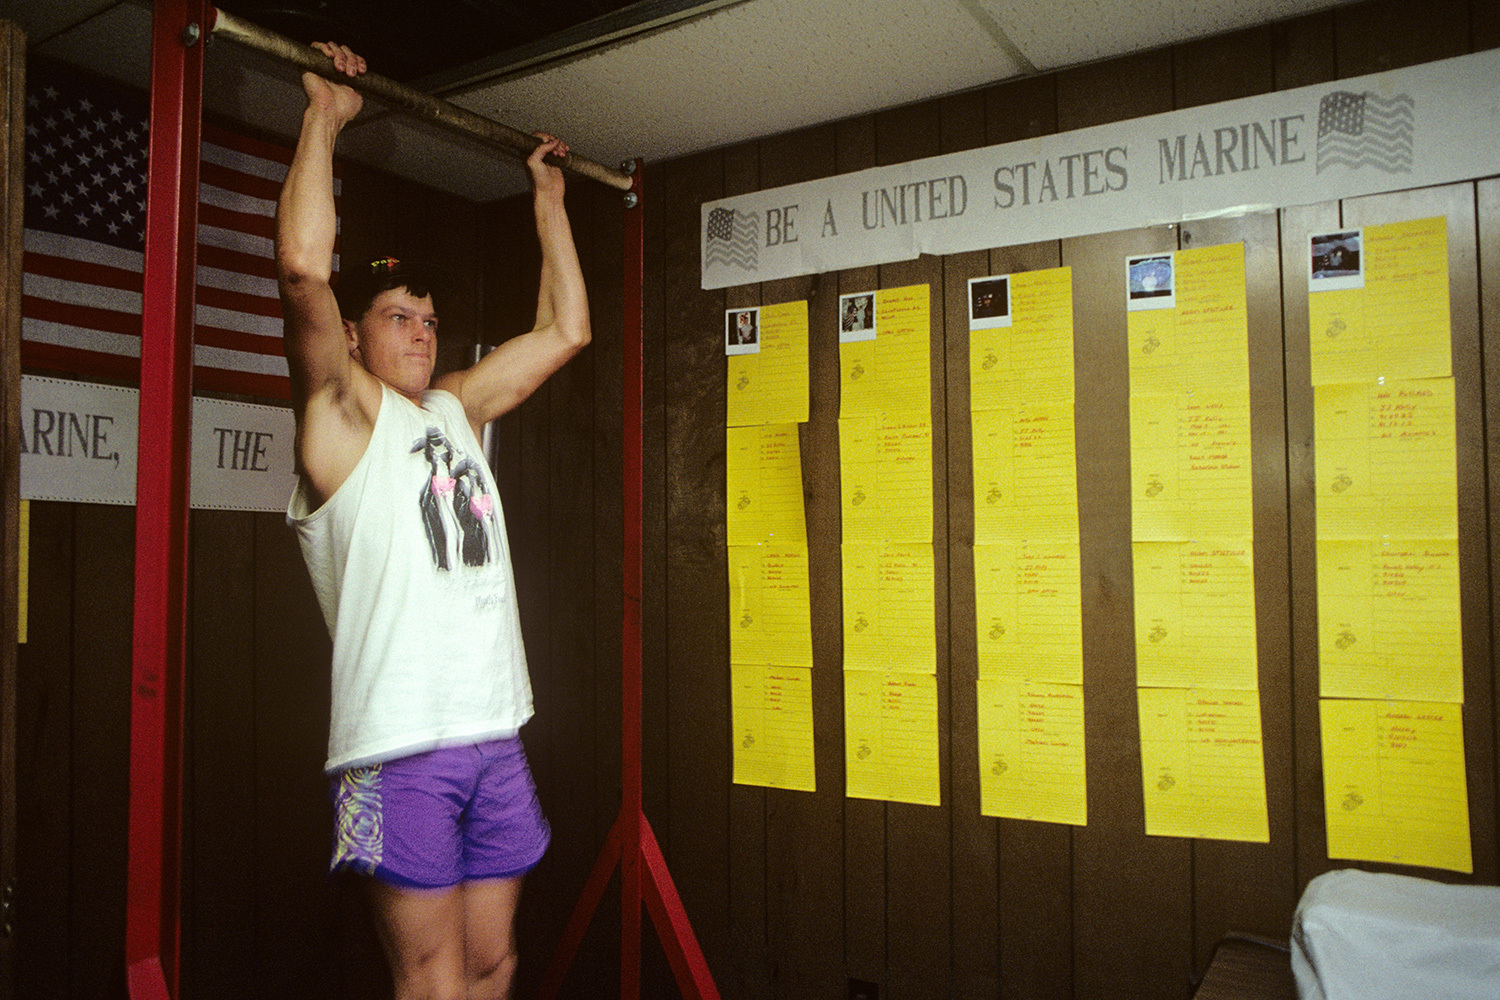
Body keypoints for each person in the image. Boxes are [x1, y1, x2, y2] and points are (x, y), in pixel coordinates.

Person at [275, 42, 590, 1000]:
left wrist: (549, 202)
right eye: (398, 316)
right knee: (433, 978)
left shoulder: (454, 409)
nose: (420, 330)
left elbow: (568, 331)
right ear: (359, 335)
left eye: (427, 318)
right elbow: (300, 271)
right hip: (398, 745)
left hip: (493, 728)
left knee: (493, 963)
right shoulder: (341, 419)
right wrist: (325, 118)